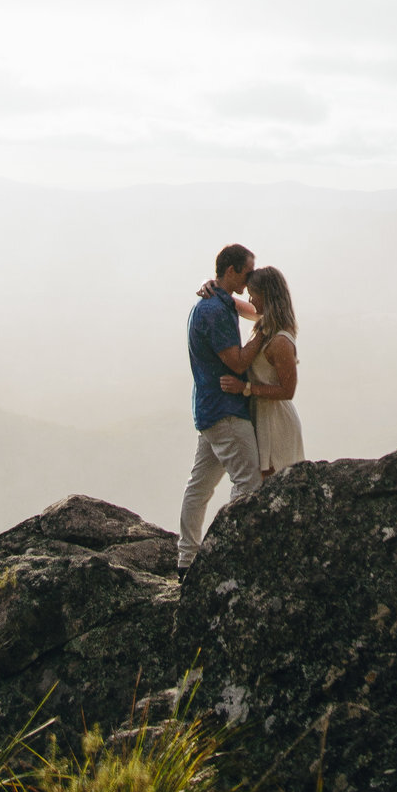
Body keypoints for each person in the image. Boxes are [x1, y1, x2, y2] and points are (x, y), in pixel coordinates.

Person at [178, 242, 267, 574]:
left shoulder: (219, 301)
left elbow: (256, 311)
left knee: (199, 487)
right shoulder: (214, 311)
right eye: (247, 273)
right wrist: (264, 333)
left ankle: (186, 561)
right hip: (226, 410)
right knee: (249, 483)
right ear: (231, 271)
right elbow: (238, 362)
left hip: (209, 410)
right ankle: (227, 559)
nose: (250, 279)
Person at [221, 264, 304, 477]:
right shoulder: (265, 324)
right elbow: (233, 304)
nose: (250, 300)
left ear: (265, 295)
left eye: (253, 295)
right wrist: (209, 285)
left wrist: (245, 388)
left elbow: (287, 391)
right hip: (262, 416)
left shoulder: (280, 341)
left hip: (276, 422)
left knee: (274, 486)